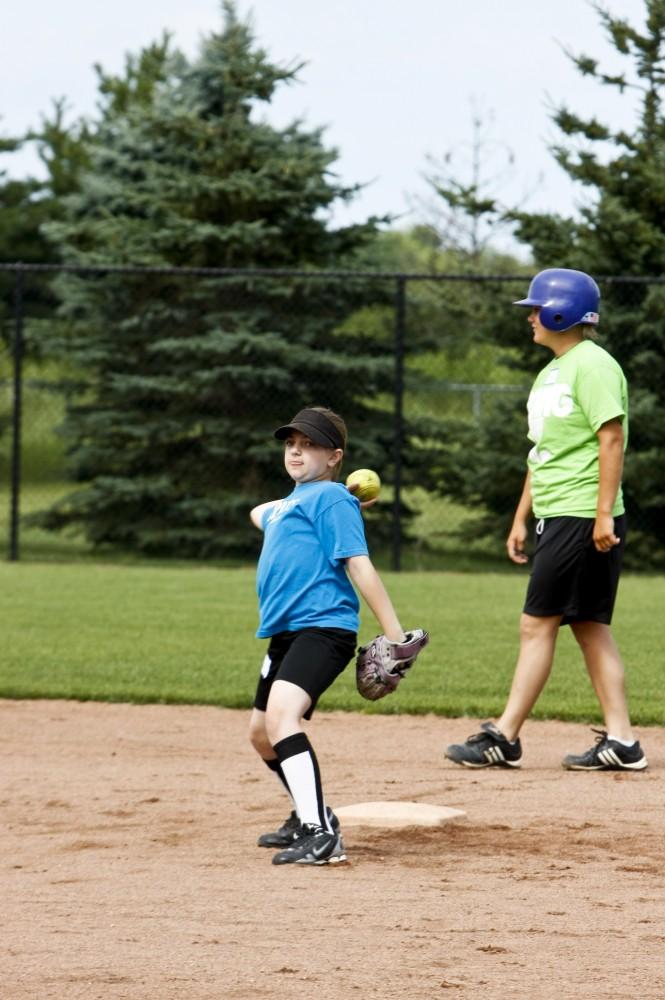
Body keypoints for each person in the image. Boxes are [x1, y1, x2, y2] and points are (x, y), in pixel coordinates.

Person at [445, 268, 647, 772]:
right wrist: (521, 516)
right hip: (558, 513)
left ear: (563, 312)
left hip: (580, 512)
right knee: (589, 626)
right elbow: (544, 453)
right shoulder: (551, 371)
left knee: (537, 624)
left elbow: (611, 438)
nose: (530, 317)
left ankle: (505, 735)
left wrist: (603, 515)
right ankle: (622, 741)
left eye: (537, 309)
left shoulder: (593, 364)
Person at [248, 405, 409, 865]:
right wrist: (340, 498)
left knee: (282, 717)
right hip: (285, 634)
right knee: (261, 734)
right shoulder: (294, 504)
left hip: (324, 628)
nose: (296, 452)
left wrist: (394, 636)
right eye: (291, 444)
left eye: (310, 445)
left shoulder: (331, 500)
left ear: (335, 456)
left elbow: (359, 565)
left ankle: (322, 835)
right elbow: (259, 511)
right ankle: (307, 813)